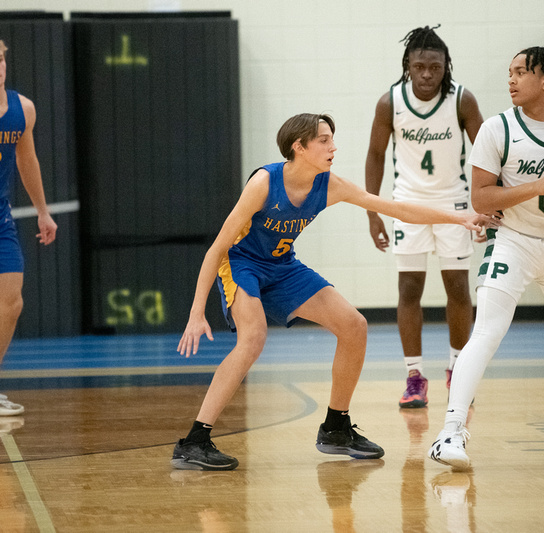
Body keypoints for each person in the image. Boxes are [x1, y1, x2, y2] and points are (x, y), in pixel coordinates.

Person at [172, 113, 498, 470]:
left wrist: (460, 218)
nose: (333, 146)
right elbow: (216, 247)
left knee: (354, 325)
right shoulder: (265, 182)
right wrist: (196, 312)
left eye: (332, 139)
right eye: (324, 140)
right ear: (299, 147)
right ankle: (195, 441)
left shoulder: (330, 185)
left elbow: (395, 208)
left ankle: (336, 428)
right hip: (242, 263)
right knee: (253, 338)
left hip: (282, 265)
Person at [427, 46, 544, 470]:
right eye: (508, 72)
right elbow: (480, 196)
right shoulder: (497, 129)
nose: (510, 80)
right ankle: (450, 433)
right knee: (487, 333)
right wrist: (538, 186)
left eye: (520, 72)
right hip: (511, 240)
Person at [365, 26, 484, 409]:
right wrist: (374, 210)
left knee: (458, 289)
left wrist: (483, 206)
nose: (428, 74)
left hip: (454, 206)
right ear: (408, 67)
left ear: (446, 66)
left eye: (435, 66)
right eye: (420, 66)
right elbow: (376, 156)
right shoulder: (390, 103)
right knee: (409, 290)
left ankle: (457, 368)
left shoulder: (462, 100)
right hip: (408, 206)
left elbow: (486, 153)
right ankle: (414, 376)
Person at [0, 40, 58, 417]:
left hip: (1, 219)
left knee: (11, 302)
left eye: (0, 58)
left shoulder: (23, 109)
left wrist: (42, 211)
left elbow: (27, 159)